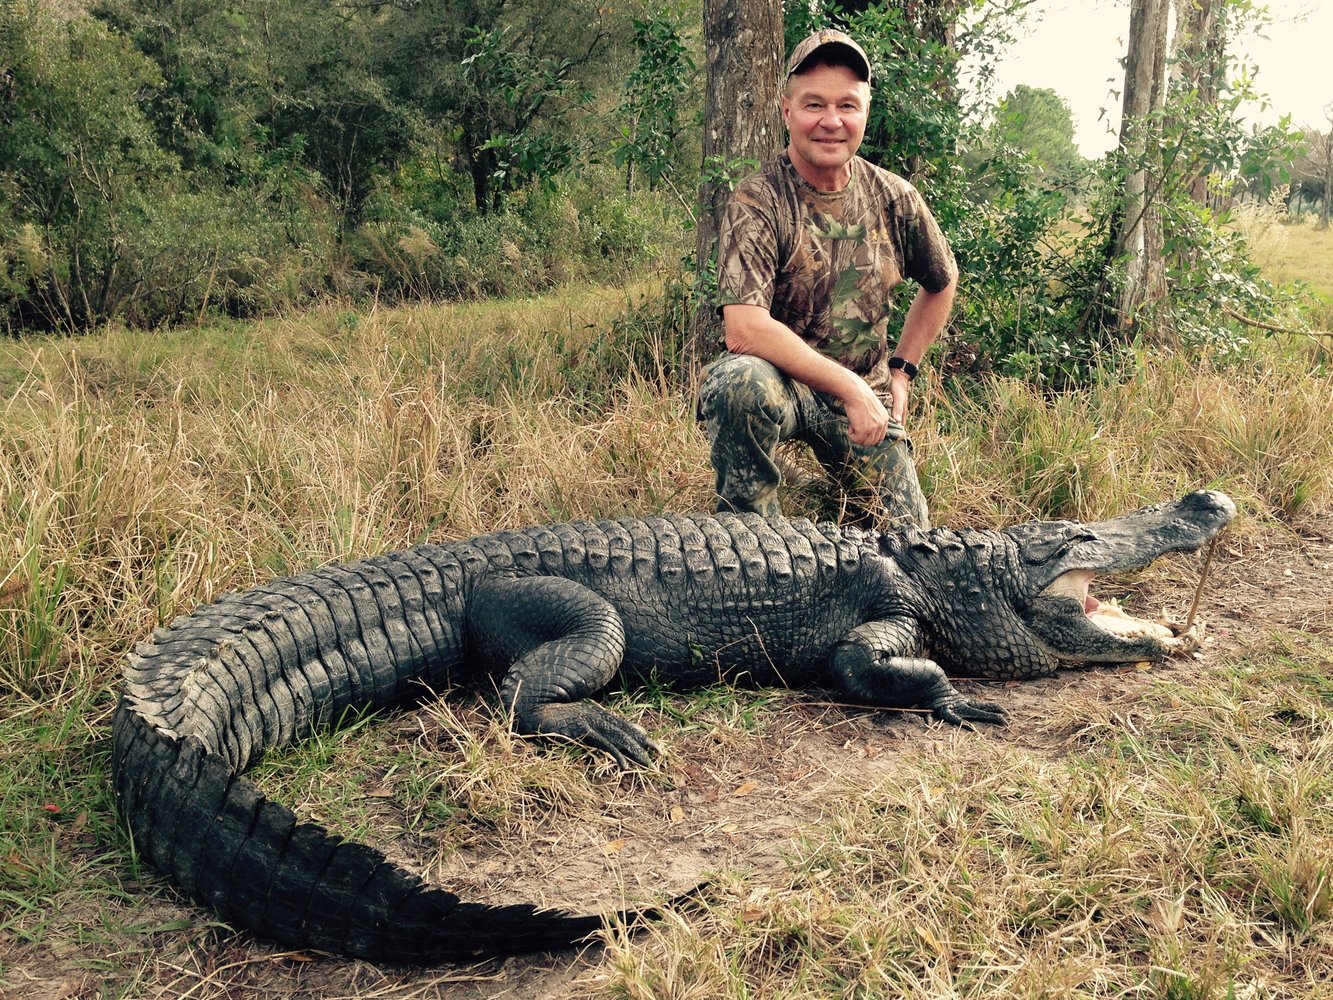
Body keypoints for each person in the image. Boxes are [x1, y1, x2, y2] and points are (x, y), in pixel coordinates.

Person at [697, 28, 957, 531]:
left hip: (864, 401)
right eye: (814, 104)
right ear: (786, 109)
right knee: (738, 383)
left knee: (910, 543)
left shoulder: (895, 197)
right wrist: (850, 387)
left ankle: (825, 488)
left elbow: (941, 281)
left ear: (866, 110)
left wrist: (901, 371)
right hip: (781, 385)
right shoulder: (757, 200)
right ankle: (754, 543)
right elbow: (744, 329)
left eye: (847, 105)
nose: (831, 122)